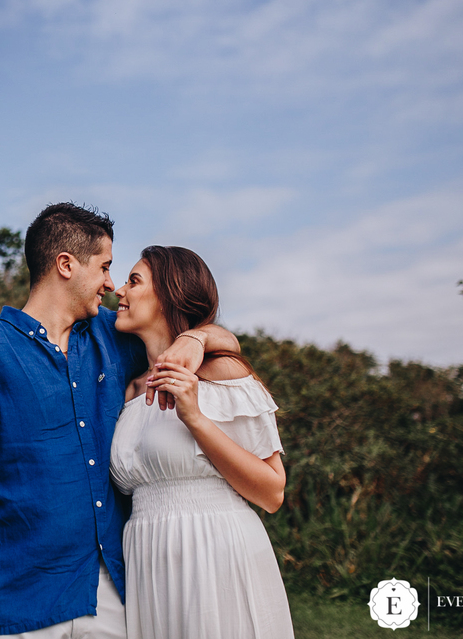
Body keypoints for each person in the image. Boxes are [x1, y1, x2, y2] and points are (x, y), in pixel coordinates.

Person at [0, 205, 241, 639]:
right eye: (103, 267)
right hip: (17, 597)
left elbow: (224, 341)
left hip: (114, 598)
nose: (110, 283)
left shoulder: (115, 335)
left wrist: (196, 337)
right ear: (66, 265)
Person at [110, 245, 293, 639]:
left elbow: (272, 492)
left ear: (169, 295)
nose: (119, 291)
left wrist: (194, 418)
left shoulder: (221, 372)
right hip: (147, 558)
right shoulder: (128, 390)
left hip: (216, 550)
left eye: (134, 281)